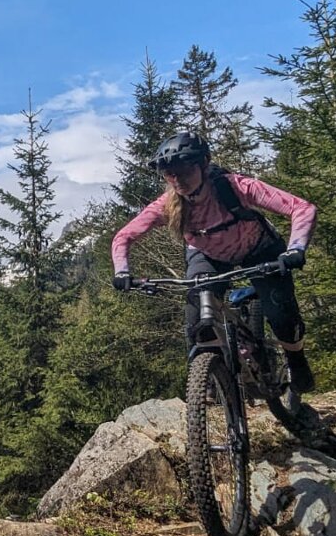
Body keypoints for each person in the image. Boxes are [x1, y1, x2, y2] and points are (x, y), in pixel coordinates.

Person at [111, 131, 318, 393]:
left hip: (260, 249)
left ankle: (296, 359)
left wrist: (295, 248)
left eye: (184, 170)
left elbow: (301, 208)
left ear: (204, 164)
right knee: (198, 320)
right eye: (169, 174)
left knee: (282, 316)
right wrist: (123, 271)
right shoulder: (167, 205)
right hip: (208, 255)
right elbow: (124, 237)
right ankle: (212, 380)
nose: (177, 179)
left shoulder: (235, 187)